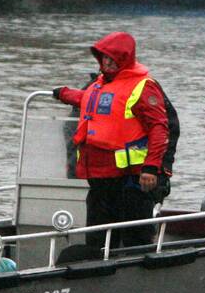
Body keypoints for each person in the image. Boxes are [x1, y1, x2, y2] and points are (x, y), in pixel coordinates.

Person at [53, 31, 170, 253]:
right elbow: (89, 100)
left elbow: (159, 128)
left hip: (130, 178)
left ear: (125, 59)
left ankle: (135, 269)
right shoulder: (99, 84)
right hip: (100, 177)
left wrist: (150, 168)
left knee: (134, 238)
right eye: (104, 57)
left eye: (113, 58)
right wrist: (64, 94)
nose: (107, 62)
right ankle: (97, 267)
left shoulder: (143, 86)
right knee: (97, 237)